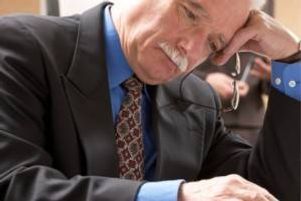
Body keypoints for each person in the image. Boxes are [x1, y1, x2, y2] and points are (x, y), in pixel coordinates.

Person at [0, 1, 300, 201]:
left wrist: (292, 57)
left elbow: (263, 192)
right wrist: (175, 196)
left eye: (213, 44)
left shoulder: (197, 98)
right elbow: (13, 185)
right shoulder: (19, 45)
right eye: (190, 13)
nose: (191, 50)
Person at [194, 52, 271, 145]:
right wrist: (205, 80)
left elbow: (268, 89)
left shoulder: (261, 44)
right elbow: (177, 73)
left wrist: (272, 77)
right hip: (204, 123)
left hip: (251, 128)